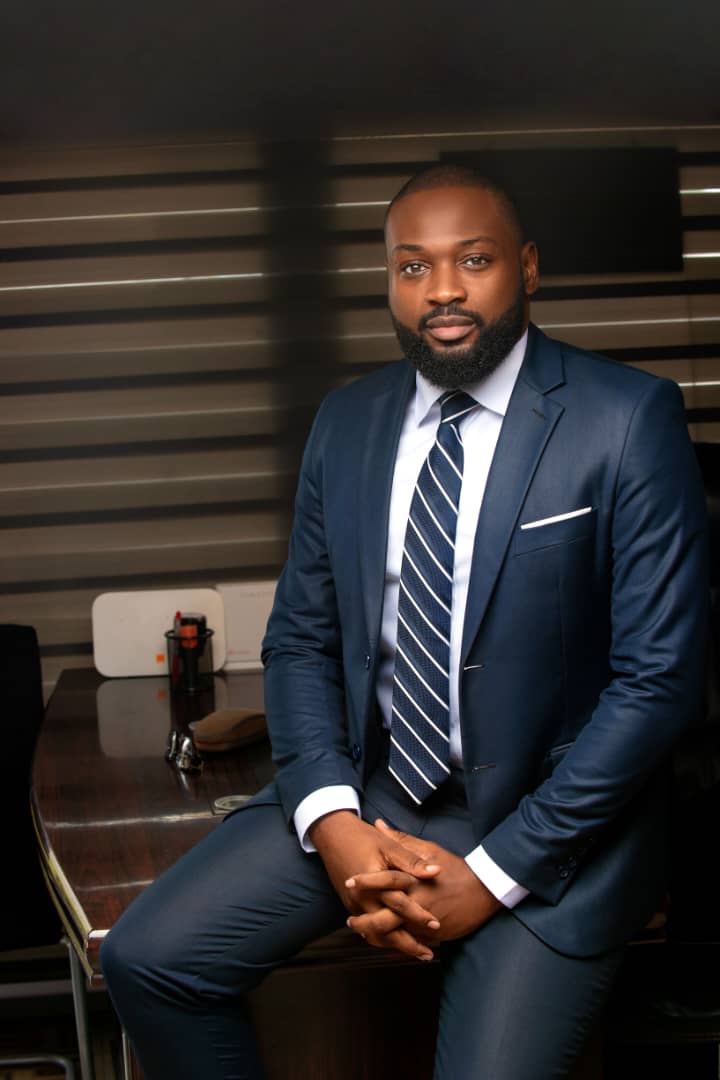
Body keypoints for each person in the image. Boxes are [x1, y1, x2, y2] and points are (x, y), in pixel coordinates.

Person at [100, 164, 709, 1079]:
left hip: (549, 822)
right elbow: (302, 640)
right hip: (377, 794)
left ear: (528, 267)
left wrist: (492, 875)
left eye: (474, 260)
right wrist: (332, 819)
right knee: (148, 960)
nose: (443, 290)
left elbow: (658, 682)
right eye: (413, 266)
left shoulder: (626, 416)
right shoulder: (347, 422)